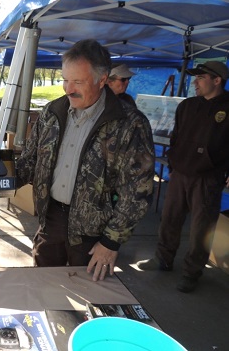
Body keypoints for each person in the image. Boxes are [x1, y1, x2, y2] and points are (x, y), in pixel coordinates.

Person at [15, 39, 155, 282]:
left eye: (78, 82)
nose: (68, 89)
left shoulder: (130, 124)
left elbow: (137, 191)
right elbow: (29, 163)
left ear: (102, 80)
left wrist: (111, 241)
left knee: (90, 301)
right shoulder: (51, 113)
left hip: (95, 234)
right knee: (44, 290)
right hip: (51, 222)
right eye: (65, 80)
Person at [137, 61, 229, 293]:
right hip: (180, 172)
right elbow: (176, 136)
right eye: (195, 78)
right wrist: (174, 163)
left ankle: (192, 271)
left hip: (209, 177)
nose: (195, 83)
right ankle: (163, 259)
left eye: (201, 78)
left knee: (202, 228)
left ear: (217, 80)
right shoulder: (187, 106)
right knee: (170, 218)